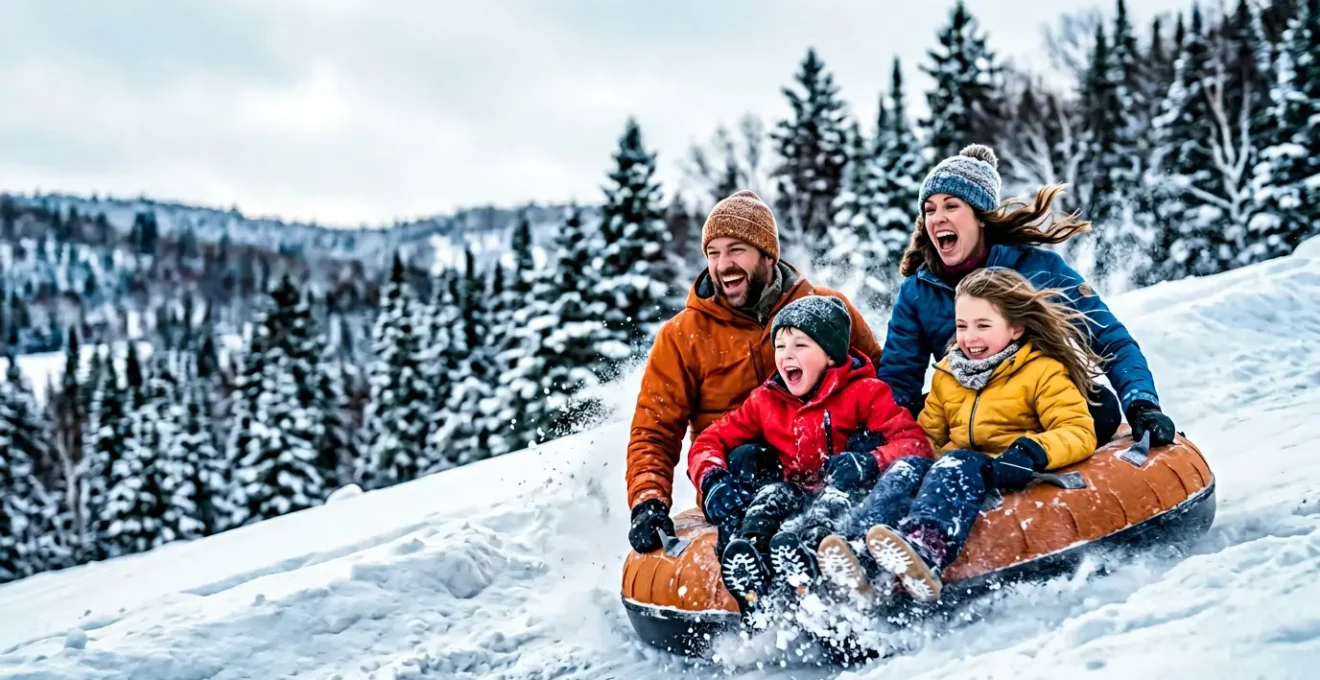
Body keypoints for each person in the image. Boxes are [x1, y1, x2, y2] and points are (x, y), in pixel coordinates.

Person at [817, 268, 1100, 604]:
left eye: (983, 325)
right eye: (962, 326)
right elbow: (928, 437)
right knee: (908, 467)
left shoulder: (1042, 371)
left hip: (1009, 468)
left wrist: (1032, 451)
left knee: (955, 462)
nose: (970, 337)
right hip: (953, 472)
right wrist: (887, 457)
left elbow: (1078, 430)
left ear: (1016, 328)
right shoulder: (949, 374)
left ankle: (926, 548)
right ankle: (856, 547)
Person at [626, 190, 883, 554]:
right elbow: (654, 428)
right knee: (748, 457)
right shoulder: (683, 336)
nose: (723, 264)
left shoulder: (825, 309)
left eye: (736, 250)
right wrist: (648, 501)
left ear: (767, 255)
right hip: (740, 481)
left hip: (827, 465)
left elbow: (880, 379)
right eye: (713, 253)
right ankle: (752, 562)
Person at [876, 143, 1177, 449]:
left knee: (1101, 408)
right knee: (921, 416)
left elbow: (1110, 338)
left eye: (951, 206)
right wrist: (885, 439)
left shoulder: (1038, 269)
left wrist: (1142, 403)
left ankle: (1042, 455)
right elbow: (899, 380)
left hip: (1041, 401)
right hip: (972, 408)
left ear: (981, 216)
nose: (937, 218)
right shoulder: (918, 291)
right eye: (930, 210)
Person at [684, 295, 929, 612]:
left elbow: (914, 443)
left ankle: (813, 553)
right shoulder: (766, 400)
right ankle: (750, 559)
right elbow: (709, 441)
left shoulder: (865, 392)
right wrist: (712, 478)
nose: (786, 356)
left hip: (847, 492)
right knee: (772, 492)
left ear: (829, 355)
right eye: (780, 347)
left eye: (800, 345)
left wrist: (870, 461)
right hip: (796, 491)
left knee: (834, 498)